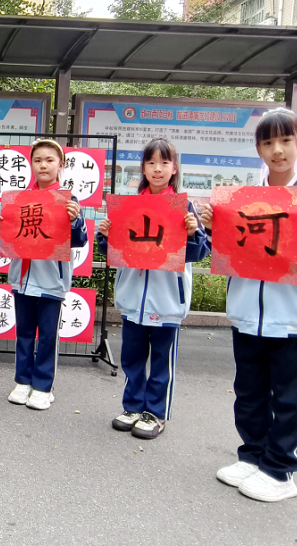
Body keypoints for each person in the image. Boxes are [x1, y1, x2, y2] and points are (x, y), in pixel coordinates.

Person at [200, 108, 297, 503]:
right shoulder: (242, 201)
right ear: (259, 150)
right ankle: (252, 455)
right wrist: (213, 228)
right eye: (268, 143)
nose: (277, 150)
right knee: (248, 392)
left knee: (288, 396)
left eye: (285, 140)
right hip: (247, 313)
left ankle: (281, 470)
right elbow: (226, 253)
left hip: (293, 318)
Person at [96, 138, 208, 439]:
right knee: (132, 357)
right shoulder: (128, 206)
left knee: (161, 360)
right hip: (133, 298)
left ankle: (155, 413)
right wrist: (104, 236)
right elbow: (112, 251)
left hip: (167, 301)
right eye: (151, 162)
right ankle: (132, 406)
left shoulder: (184, 207)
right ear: (143, 168)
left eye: (164, 162)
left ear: (174, 168)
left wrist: (193, 233)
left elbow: (199, 252)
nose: (158, 169)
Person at [0, 139, 88, 410]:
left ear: (61, 164)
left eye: (50, 160)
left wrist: (76, 220)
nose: (43, 165)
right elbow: (10, 237)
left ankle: (43, 386)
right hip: (22, 279)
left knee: (47, 336)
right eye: (38, 160)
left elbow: (79, 240)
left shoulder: (68, 199)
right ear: (31, 164)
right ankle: (22, 381)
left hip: (52, 281)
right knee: (23, 333)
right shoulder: (20, 199)